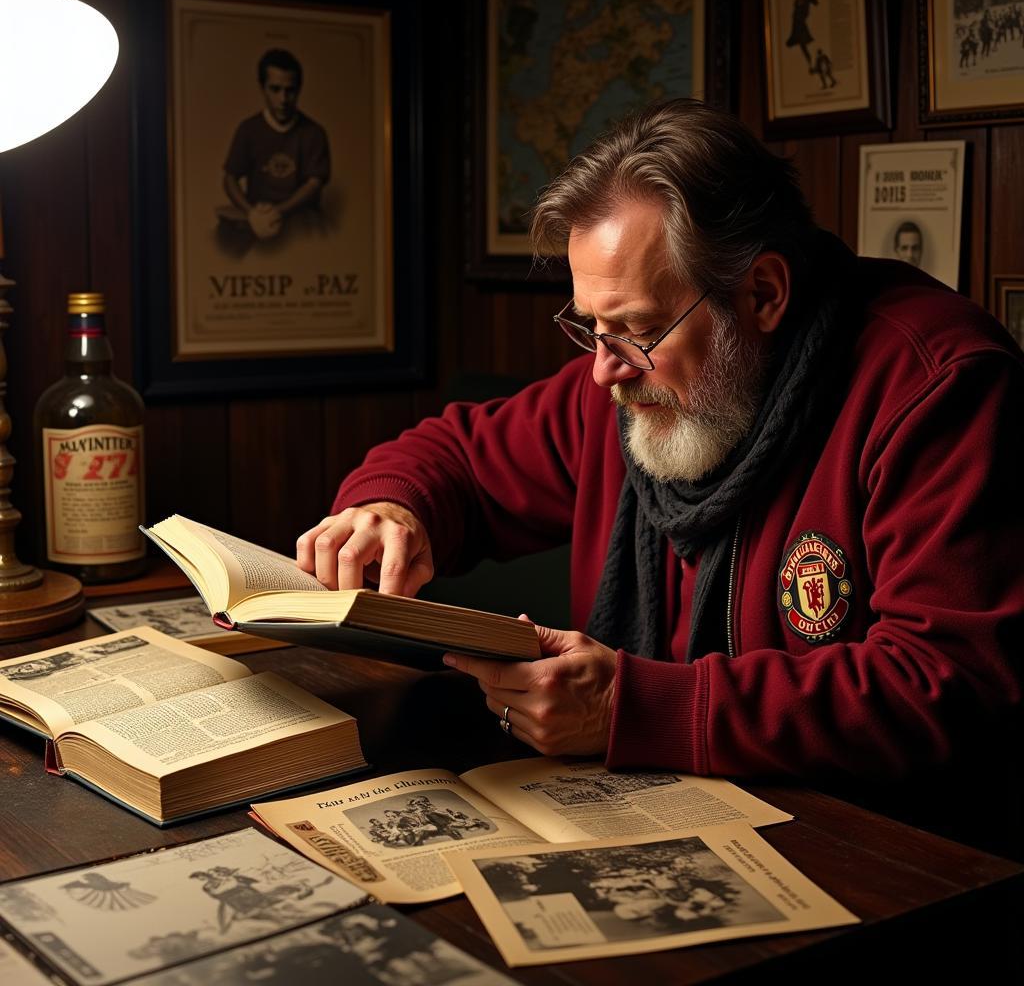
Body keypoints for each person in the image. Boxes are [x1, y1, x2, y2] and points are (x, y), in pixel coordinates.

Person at [297, 99, 1024, 857]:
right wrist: (392, 507)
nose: (604, 371)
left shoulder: (938, 388)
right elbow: (458, 456)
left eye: (640, 332)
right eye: (590, 328)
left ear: (765, 294)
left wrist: (633, 708)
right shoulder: (629, 386)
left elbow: (948, 682)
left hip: (888, 852)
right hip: (654, 821)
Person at [218, 48, 331, 254]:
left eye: (291, 90)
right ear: (263, 88)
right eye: (275, 89)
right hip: (257, 217)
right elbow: (230, 178)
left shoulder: (314, 132)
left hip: (299, 219)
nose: (283, 99)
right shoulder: (248, 129)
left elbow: (314, 184)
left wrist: (279, 211)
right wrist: (251, 213)